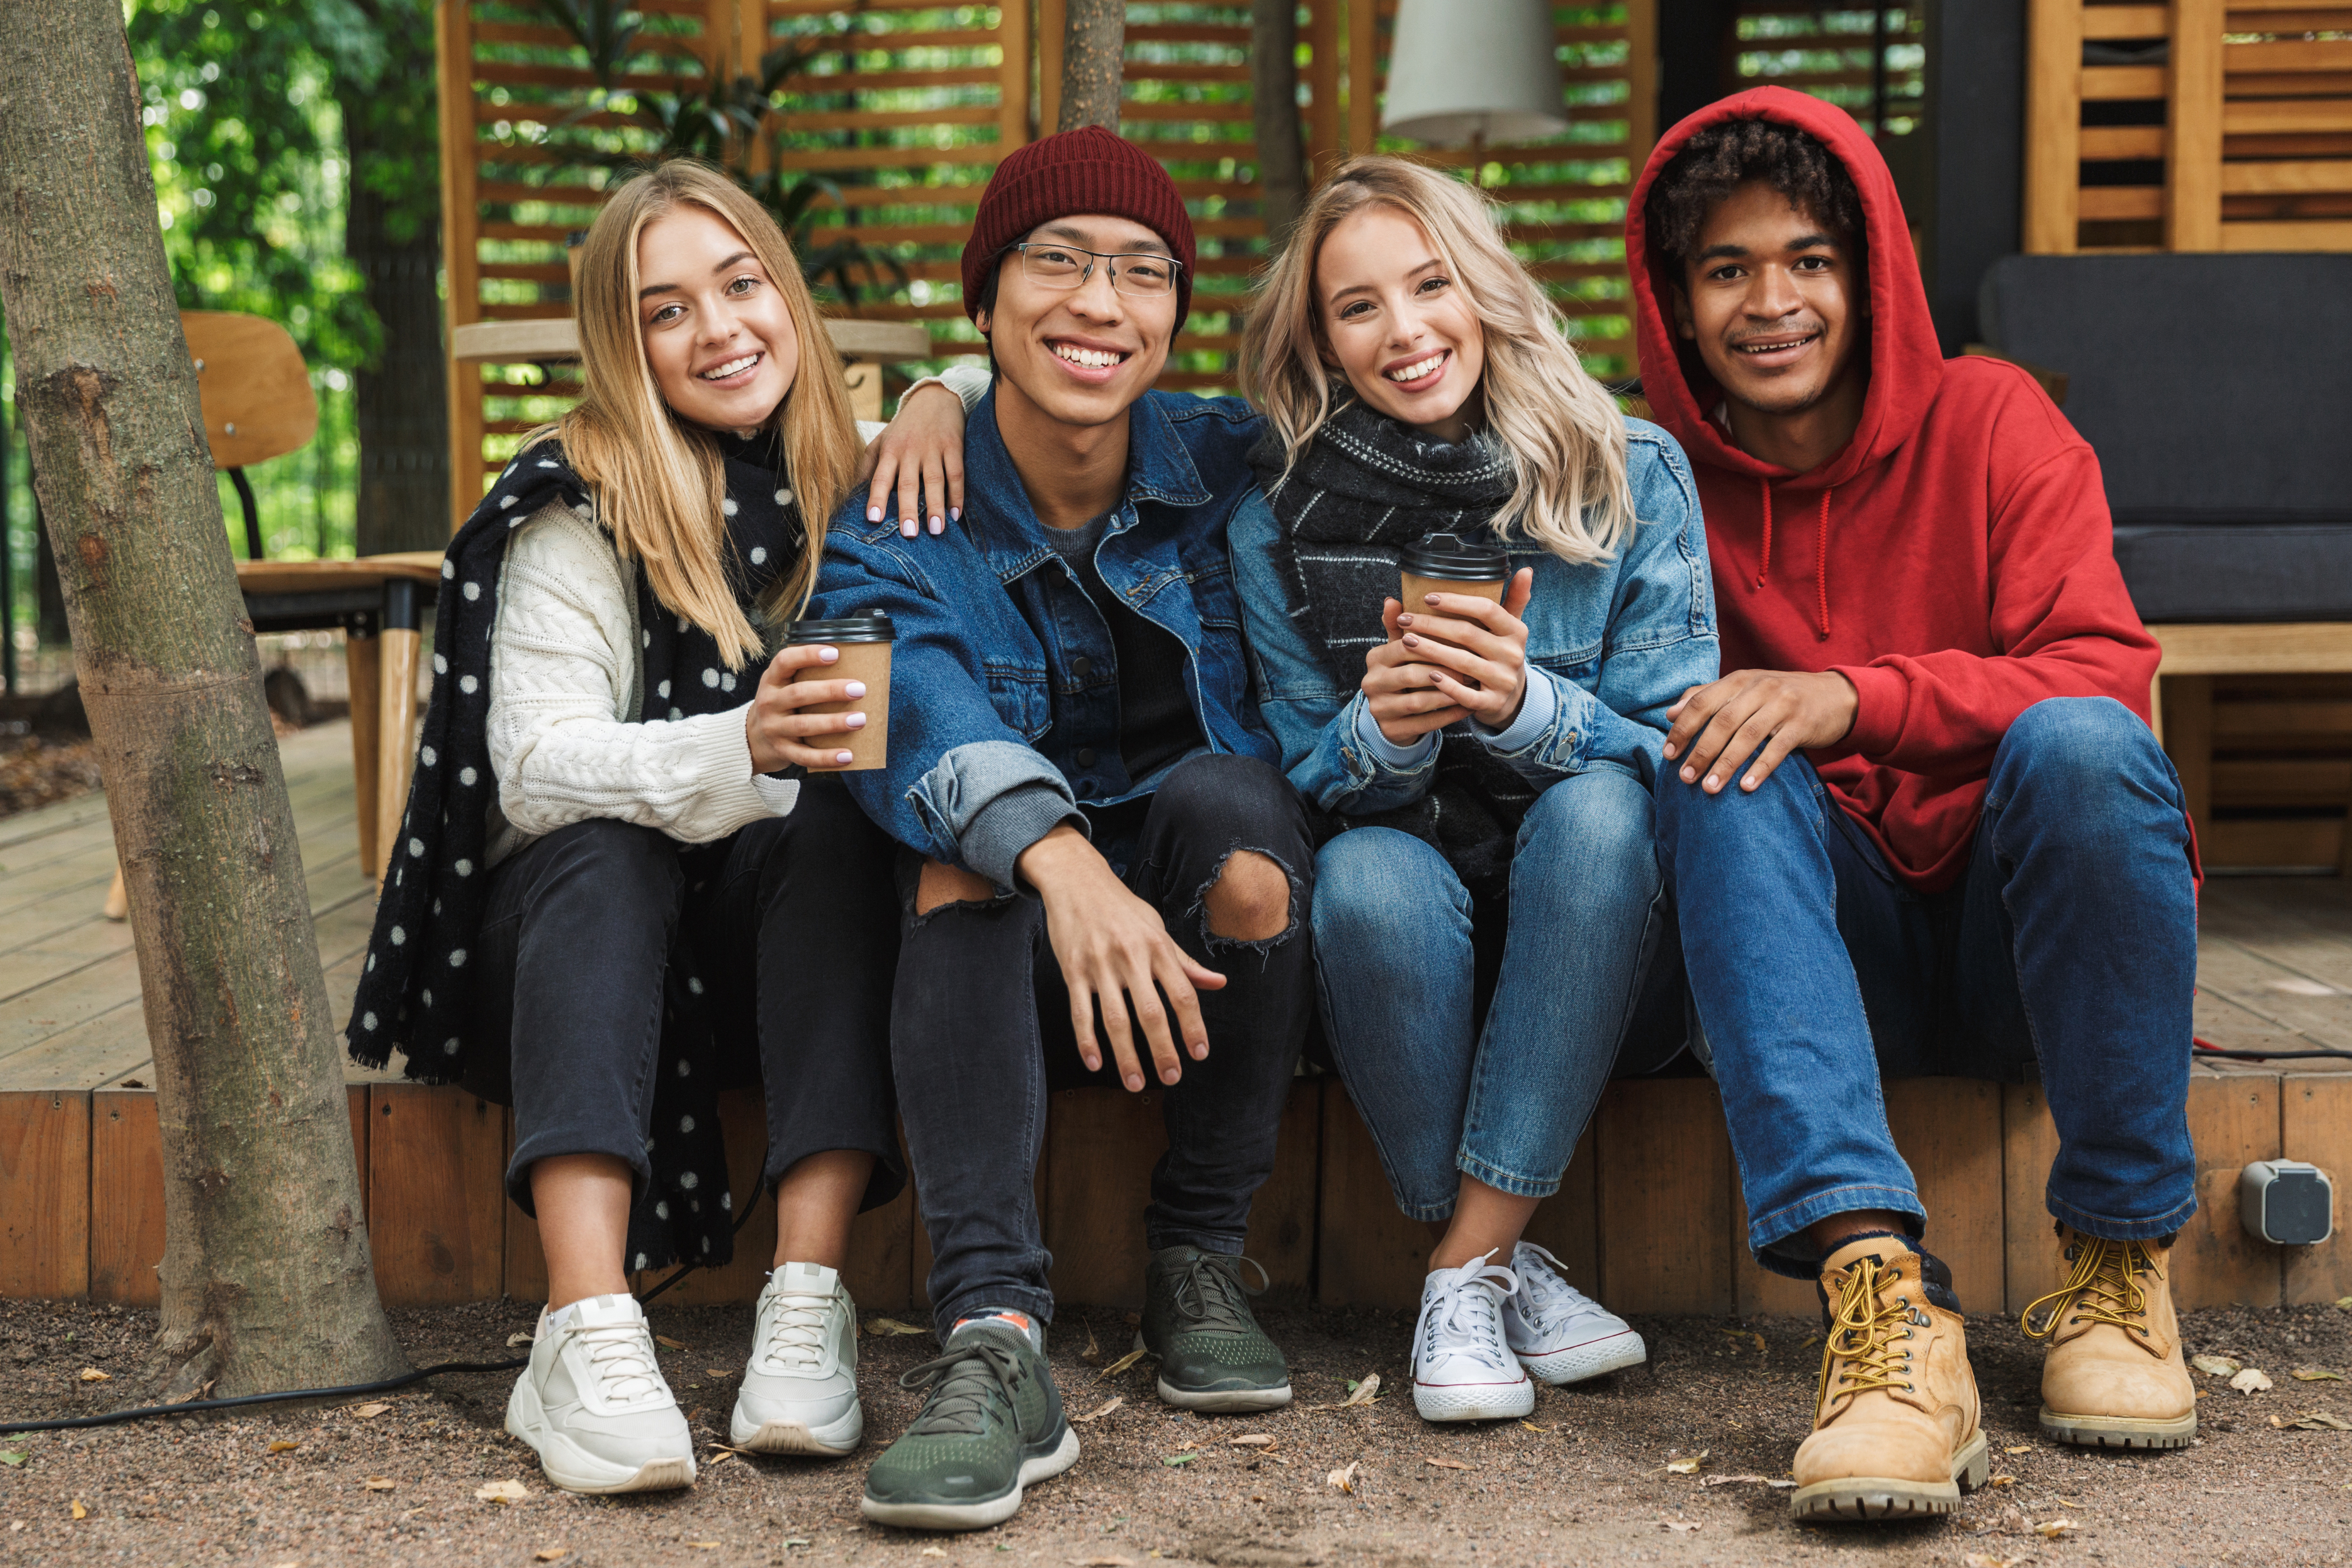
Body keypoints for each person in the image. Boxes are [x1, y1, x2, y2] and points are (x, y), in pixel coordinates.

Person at [1630, 89, 2200, 1520]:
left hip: (2029, 952)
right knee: (1708, 760)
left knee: (2080, 743)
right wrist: (961, 384)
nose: (1771, 302)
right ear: (1676, 305)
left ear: (1867, 270)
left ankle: (2119, 1266)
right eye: (1725, 269)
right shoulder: (1647, 477)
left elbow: (2102, 670)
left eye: (1807, 259)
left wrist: (1852, 695)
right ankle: (1882, 1308)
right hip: (1818, 969)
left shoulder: (1993, 419)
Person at [346, 161, 956, 1496]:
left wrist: (934, 392)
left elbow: (1002, 393)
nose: (721, 328)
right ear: (622, 346)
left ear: (785, 294)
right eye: (665, 311)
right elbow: (534, 767)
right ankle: (582, 1322)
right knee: (606, 842)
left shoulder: (850, 479)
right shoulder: (578, 497)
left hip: (762, 949)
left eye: (740, 286)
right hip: (563, 950)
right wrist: (736, 744)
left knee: (838, 827)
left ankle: (806, 1302)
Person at [810, 126, 1317, 1534]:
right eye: (1057, 261)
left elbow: (1433, 397)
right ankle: (995, 1336)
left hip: (1193, 914)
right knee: (948, 851)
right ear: (987, 299)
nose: (1101, 302)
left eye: (1141, 271)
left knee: (1238, 820)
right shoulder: (897, 502)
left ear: (1172, 311)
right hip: (1011, 922)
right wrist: (1060, 858)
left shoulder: (1233, 458)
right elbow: (900, 716)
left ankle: (1199, 1254)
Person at [1227, 157, 1715, 1424]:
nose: (1404, 331)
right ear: (1320, 339)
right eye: (1357, 307)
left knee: (1599, 805)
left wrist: (1526, 708)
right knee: (1362, 869)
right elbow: (1298, 767)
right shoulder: (1274, 514)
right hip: (1399, 937)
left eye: (1428, 283)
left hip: (1604, 923)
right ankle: (1500, 1266)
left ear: (1483, 287)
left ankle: (1460, 1269)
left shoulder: (1627, 469)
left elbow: (1677, 758)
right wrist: (1380, 732)